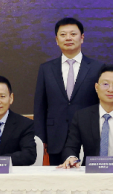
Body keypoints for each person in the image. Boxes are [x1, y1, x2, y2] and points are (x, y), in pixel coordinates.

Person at [34, 17, 105, 165]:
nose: (68, 38)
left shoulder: (97, 68)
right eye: (63, 34)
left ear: (82, 38)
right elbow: (40, 106)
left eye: (73, 34)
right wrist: (41, 138)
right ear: (56, 40)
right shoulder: (46, 69)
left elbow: (102, 104)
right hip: (56, 138)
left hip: (88, 137)